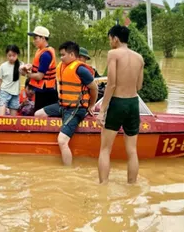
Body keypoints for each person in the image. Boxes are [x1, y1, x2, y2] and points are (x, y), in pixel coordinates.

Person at [35, 41, 98, 166]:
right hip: (62, 105)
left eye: (63, 55)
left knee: (62, 140)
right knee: (38, 114)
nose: (61, 57)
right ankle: (63, 128)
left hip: (77, 108)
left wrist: (91, 105)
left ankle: (67, 171)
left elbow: (94, 88)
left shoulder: (80, 70)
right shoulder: (61, 67)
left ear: (72, 54)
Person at [97, 25, 144, 185]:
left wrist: (102, 110)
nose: (110, 42)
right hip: (133, 103)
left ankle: (103, 187)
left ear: (115, 38)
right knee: (132, 151)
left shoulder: (113, 54)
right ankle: (132, 186)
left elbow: (111, 84)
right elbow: (139, 86)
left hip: (117, 103)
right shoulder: (139, 58)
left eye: (110, 39)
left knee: (105, 149)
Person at [22, 26, 58, 111]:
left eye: (36, 38)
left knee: (41, 114)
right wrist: (30, 67)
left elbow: (39, 76)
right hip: (42, 89)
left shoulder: (45, 54)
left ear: (43, 38)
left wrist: (26, 74)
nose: (33, 41)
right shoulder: (40, 51)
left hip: (46, 91)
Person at [0, 45, 23, 116]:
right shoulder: (3, 66)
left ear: (17, 55)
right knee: (1, 116)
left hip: (15, 94)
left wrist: (25, 68)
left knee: (13, 119)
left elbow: (24, 74)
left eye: (14, 55)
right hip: (4, 92)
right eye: (9, 55)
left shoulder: (20, 65)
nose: (11, 57)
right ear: (6, 55)